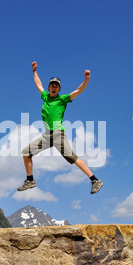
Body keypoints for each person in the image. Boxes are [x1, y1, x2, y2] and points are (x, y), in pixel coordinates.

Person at [17, 61, 103, 194]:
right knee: (26, 152)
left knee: (72, 158)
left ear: (59, 89)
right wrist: (34, 71)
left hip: (58, 134)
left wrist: (86, 79)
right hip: (47, 135)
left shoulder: (62, 99)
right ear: (49, 87)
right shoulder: (45, 97)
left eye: (56, 86)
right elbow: (38, 84)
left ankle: (94, 180)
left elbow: (78, 91)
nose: (54, 87)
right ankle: (30, 180)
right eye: (52, 85)